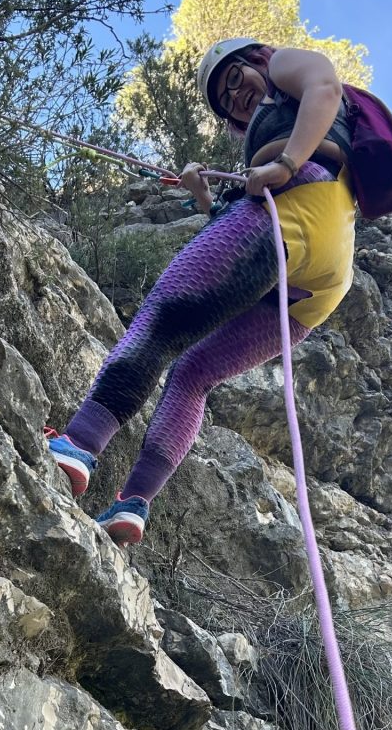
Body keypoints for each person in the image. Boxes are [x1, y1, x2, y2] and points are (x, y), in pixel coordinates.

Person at [47, 37, 356, 545]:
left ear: (257, 59)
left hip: (298, 203)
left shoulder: (284, 66)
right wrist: (202, 195)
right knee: (193, 373)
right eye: (222, 99)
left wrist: (286, 164)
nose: (233, 96)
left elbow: (324, 85)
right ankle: (134, 503)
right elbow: (237, 256)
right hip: (323, 275)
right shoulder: (274, 129)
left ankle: (78, 444)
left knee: (160, 321)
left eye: (234, 78)